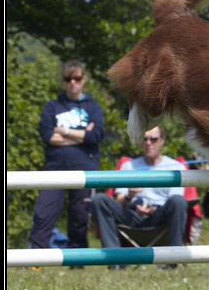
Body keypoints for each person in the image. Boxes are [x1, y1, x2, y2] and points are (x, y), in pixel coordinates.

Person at [27, 61, 104, 255]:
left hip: (85, 170)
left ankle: (77, 260)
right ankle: (35, 257)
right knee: (43, 213)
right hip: (55, 169)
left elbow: (95, 136)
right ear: (63, 81)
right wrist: (81, 136)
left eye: (77, 78)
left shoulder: (93, 107)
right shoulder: (52, 106)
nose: (72, 82)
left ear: (83, 79)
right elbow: (47, 136)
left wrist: (63, 131)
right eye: (68, 78)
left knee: (80, 217)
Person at [90, 126, 189, 263]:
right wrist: (129, 195)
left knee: (178, 201)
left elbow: (175, 200)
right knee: (99, 199)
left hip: (159, 216)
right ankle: (114, 260)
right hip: (131, 214)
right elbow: (119, 200)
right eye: (144, 139)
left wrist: (151, 210)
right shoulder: (128, 166)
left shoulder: (176, 167)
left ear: (162, 140)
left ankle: (173, 260)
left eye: (153, 139)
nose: (148, 143)